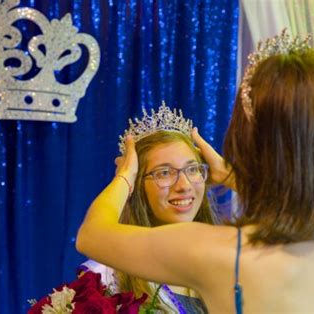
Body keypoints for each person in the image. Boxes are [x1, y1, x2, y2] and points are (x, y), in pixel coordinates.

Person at [76, 30, 314, 313]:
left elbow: (92, 234)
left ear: (246, 142)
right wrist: (237, 179)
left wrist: (126, 176)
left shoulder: (217, 252)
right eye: (163, 172)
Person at [78, 104, 218, 313]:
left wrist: (229, 175)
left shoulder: (223, 261)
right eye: (164, 173)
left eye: (193, 169)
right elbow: (89, 235)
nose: (184, 186)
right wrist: (124, 177)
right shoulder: (109, 277)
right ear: (136, 183)